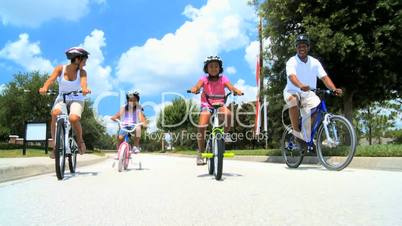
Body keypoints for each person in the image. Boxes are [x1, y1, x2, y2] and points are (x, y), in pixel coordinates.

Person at [284, 34, 342, 141]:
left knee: (317, 110)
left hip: (309, 94)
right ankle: (296, 133)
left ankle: (306, 139)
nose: (301, 48)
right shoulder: (291, 61)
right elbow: (292, 76)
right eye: (299, 46)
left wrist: (333, 89)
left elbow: (324, 78)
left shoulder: (315, 62)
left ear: (308, 47)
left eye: (304, 46)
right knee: (292, 100)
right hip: (293, 90)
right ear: (296, 48)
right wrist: (301, 85)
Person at [189, 56, 243, 165]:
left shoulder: (223, 79)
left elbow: (230, 87)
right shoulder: (204, 79)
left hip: (220, 104)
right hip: (207, 105)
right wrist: (195, 89)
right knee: (201, 126)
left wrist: (236, 90)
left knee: (228, 114)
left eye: (216, 66)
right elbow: (197, 86)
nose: (213, 68)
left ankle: (223, 136)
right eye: (211, 66)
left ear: (220, 68)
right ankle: (200, 152)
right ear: (206, 68)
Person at [39, 47, 91, 158]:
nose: (85, 64)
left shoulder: (82, 72)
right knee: (54, 114)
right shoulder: (60, 69)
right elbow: (51, 79)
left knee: (73, 118)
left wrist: (85, 89)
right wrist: (45, 87)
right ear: (77, 60)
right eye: (84, 60)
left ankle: (80, 141)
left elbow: (83, 83)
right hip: (62, 98)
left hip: (77, 99)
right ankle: (55, 145)